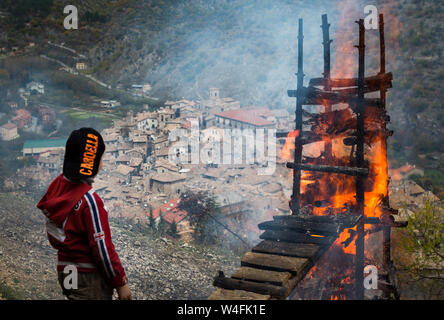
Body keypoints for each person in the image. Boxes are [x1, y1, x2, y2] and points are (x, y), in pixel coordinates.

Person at [37, 127, 132, 300]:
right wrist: (121, 282)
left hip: (66, 270)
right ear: (93, 164)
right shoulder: (90, 201)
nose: (102, 163)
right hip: (87, 275)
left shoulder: (56, 189)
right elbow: (102, 248)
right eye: (101, 158)